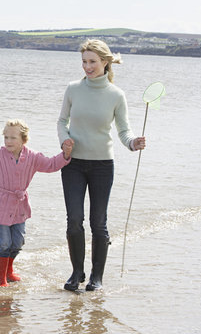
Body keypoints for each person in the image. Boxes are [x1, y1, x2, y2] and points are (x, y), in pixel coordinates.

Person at [57, 39, 146, 291]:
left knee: (99, 222)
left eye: (92, 62)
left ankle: (97, 277)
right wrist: (65, 140)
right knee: (74, 219)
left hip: (102, 166)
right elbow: (61, 121)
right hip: (73, 164)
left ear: (105, 62)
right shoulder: (73, 89)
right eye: (84, 61)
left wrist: (133, 143)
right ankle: (77, 273)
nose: (87, 67)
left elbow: (124, 130)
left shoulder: (116, 95)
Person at [0, 119, 73, 287]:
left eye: (13, 138)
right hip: (0, 205)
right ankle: (1, 278)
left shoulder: (32, 156)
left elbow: (51, 164)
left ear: (24, 140)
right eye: (6, 137)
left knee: (18, 242)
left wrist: (65, 155)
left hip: (20, 207)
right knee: (3, 242)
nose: (8, 141)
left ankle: (9, 271)